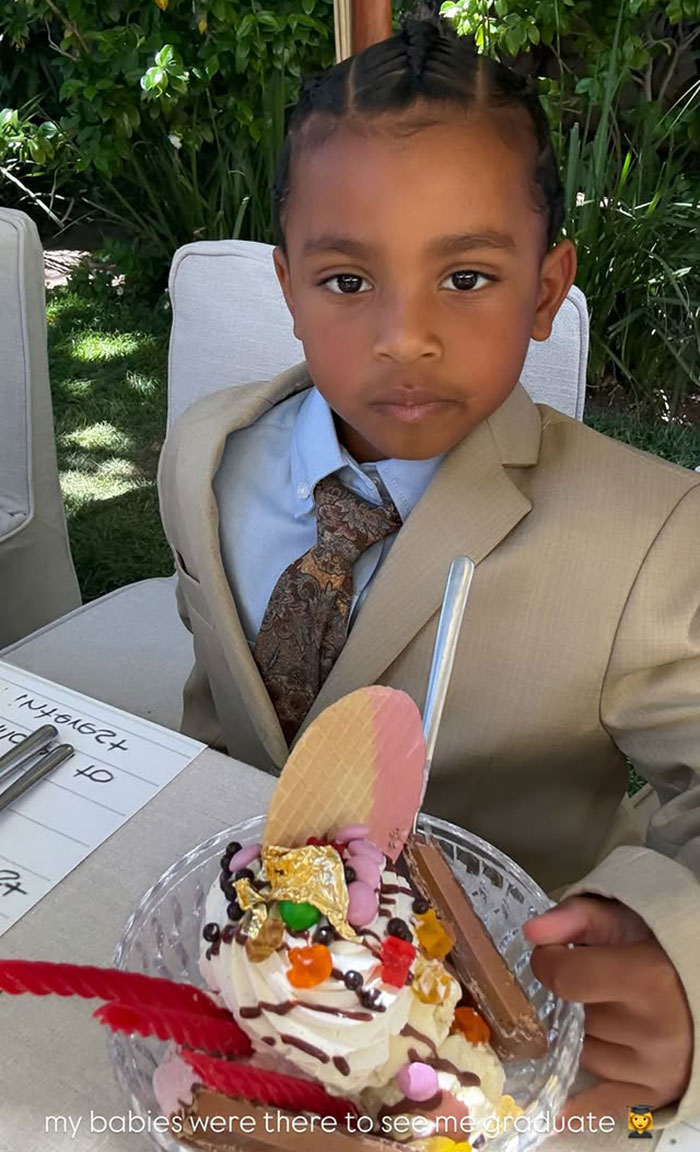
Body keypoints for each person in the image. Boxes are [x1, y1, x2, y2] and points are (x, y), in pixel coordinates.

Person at [157, 13, 700, 1131]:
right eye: (348, 282)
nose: (405, 336)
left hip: (482, 1036)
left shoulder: (649, 535)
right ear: (288, 286)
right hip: (244, 986)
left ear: (547, 288)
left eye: (464, 274)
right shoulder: (204, 458)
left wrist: (671, 946)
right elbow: (222, 711)